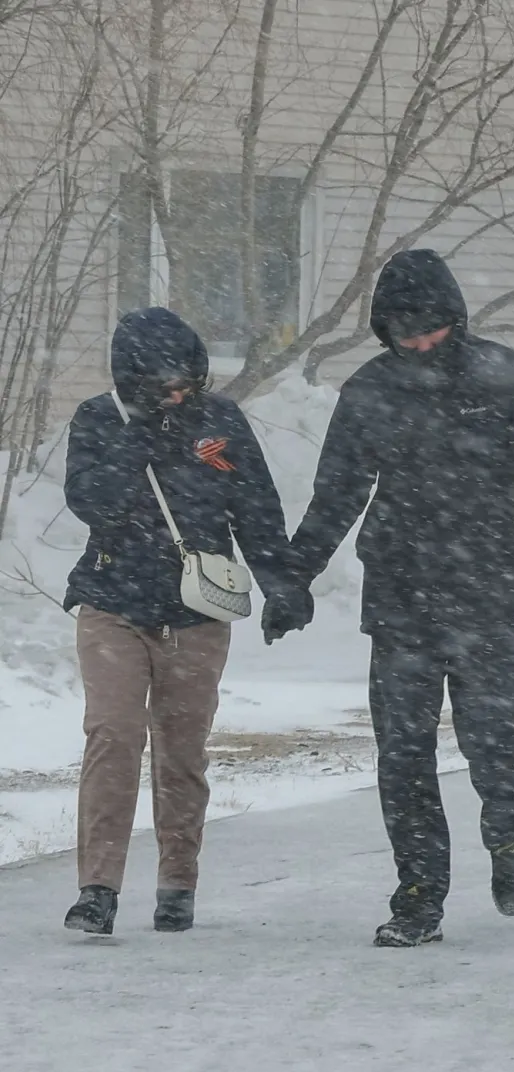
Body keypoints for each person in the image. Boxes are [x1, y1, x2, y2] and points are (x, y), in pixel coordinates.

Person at [289, 249, 514, 948]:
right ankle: (419, 895)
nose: (418, 342)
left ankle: (509, 836)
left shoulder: (503, 376)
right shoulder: (370, 391)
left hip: (496, 597)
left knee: (497, 752)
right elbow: (337, 494)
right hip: (403, 601)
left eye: (431, 328)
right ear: (383, 330)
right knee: (404, 757)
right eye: (403, 331)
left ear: (455, 318)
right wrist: (293, 575)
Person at [61, 307, 313, 936]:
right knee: (113, 737)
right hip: (113, 602)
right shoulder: (100, 420)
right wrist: (140, 439)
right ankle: (98, 888)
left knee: (182, 750)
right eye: (164, 384)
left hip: (197, 612)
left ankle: (178, 880)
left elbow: (255, 506)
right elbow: (90, 502)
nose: (178, 394)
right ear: (132, 379)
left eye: (187, 382)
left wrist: (283, 585)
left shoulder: (220, 423)